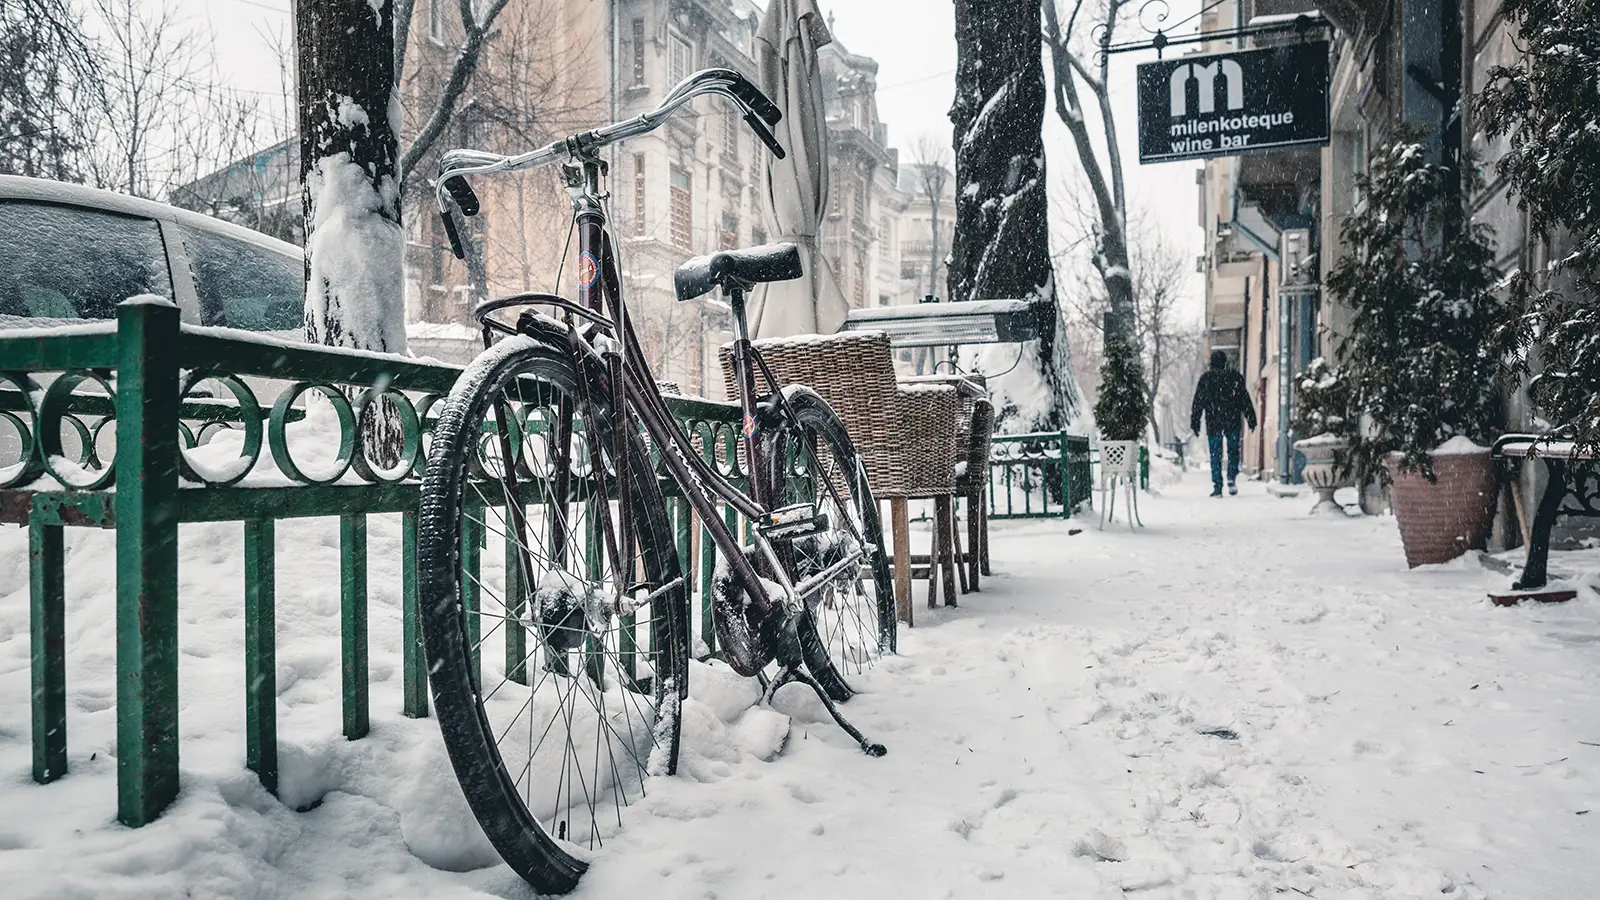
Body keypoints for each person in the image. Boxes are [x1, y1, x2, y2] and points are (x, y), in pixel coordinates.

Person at [1189, 350, 1257, 497]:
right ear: (1225, 362)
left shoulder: (1206, 379)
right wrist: (1251, 418)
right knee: (1233, 451)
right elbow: (1244, 399)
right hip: (1232, 420)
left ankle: (1217, 486)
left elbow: (1198, 403)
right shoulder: (1234, 378)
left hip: (1214, 422)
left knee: (1215, 454)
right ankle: (1231, 476)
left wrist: (1195, 422)